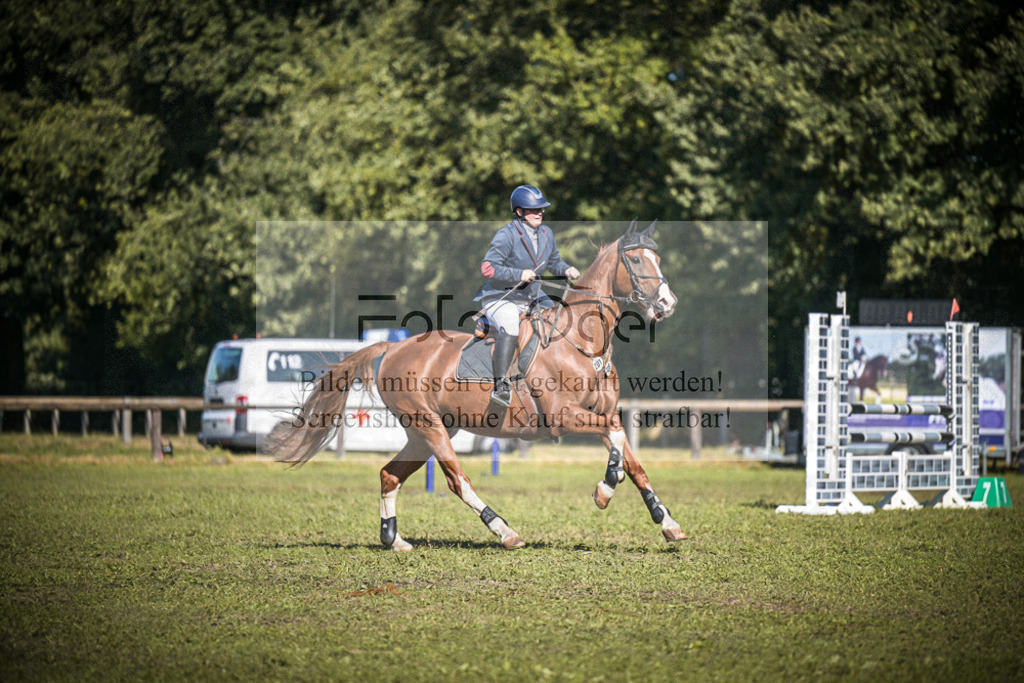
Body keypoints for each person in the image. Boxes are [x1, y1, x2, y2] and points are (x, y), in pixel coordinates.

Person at [474, 185, 580, 407]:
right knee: (511, 325)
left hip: (532, 297)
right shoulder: (506, 235)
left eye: (541, 209)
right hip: (502, 297)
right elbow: (488, 268)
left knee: (560, 321)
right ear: (519, 211)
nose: (539, 213)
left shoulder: (546, 233)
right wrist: (518, 274)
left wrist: (566, 269)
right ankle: (501, 385)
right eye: (533, 210)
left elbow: (554, 262)